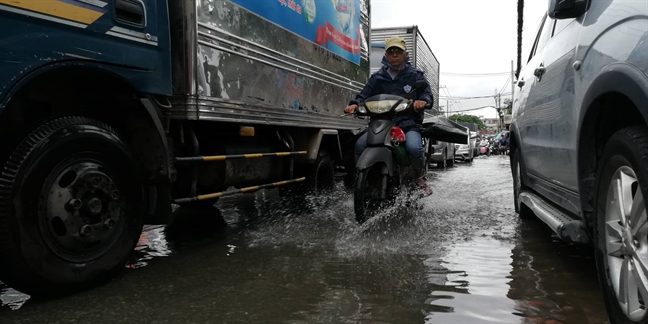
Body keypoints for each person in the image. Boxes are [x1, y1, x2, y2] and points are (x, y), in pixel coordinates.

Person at [344, 36, 433, 195]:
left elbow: (426, 93)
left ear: (404, 54)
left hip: (408, 123)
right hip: (381, 122)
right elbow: (364, 94)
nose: (394, 55)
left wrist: (422, 101)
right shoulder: (378, 77)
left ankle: (419, 177)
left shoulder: (415, 75)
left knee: (413, 147)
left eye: (398, 51)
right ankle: (361, 178)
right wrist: (354, 104)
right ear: (386, 55)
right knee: (359, 145)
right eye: (391, 52)